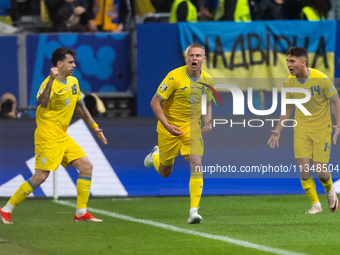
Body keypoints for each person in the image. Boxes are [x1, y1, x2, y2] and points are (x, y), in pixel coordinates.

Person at [0, 47, 107, 224]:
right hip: (47, 135)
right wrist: (51, 78)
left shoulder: (73, 82)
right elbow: (42, 102)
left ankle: (81, 213)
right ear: (59, 64)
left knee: (86, 166)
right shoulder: (48, 83)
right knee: (41, 177)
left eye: (74, 62)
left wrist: (94, 126)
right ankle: (6, 209)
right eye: (70, 62)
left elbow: (79, 106)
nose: (74, 65)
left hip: (62, 135)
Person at [144, 43, 213, 224]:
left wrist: (208, 119)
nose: (194, 59)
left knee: (197, 161)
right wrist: (167, 125)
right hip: (170, 128)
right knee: (166, 172)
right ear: (186, 58)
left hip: (192, 127)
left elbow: (207, 102)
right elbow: (154, 102)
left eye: (198, 56)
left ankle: (193, 211)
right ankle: (156, 155)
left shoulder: (208, 80)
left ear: (204, 59)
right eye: (191, 55)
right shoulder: (174, 77)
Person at [268, 46, 340, 214]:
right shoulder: (288, 83)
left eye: (292, 61)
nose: (289, 65)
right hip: (301, 129)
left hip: (321, 129)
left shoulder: (321, 79)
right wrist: (278, 131)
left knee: (320, 170)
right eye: (287, 61)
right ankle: (316, 205)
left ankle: (330, 191)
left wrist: (338, 124)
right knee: (304, 168)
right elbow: (287, 109)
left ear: (303, 62)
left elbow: (336, 100)